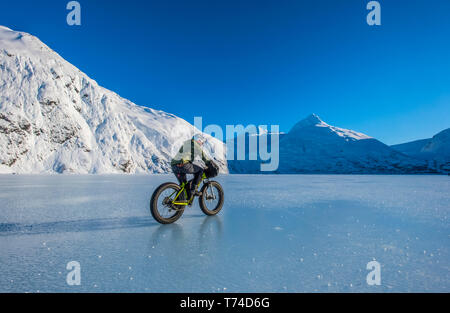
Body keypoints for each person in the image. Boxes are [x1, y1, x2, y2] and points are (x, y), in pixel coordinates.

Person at [171, 134, 211, 200]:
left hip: (174, 166)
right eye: (202, 142)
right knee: (200, 170)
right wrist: (209, 163)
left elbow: (187, 156)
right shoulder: (194, 144)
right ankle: (193, 190)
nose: (202, 144)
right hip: (183, 164)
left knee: (184, 186)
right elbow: (202, 155)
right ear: (199, 140)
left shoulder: (187, 144)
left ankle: (176, 205)